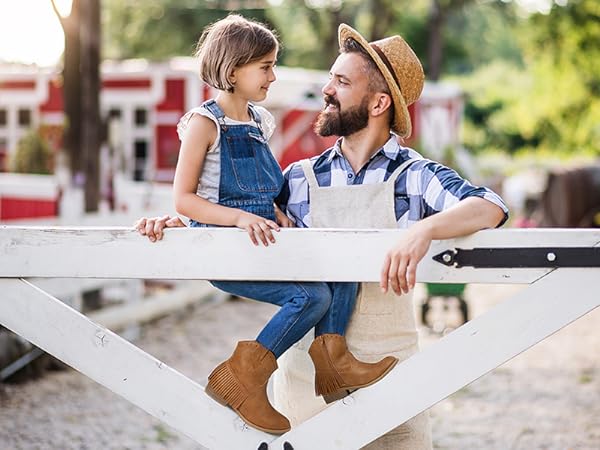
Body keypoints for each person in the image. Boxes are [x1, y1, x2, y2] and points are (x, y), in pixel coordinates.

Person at [137, 23, 508, 449]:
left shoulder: (415, 176)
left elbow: (490, 206)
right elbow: (241, 210)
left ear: (379, 102)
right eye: (331, 77)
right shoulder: (298, 177)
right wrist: (176, 225)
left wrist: (423, 230)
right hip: (303, 394)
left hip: (391, 385)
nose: (326, 89)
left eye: (341, 81)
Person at [156, 15, 398, 436]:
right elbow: (185, 198)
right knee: (310, 297)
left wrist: (274, 210)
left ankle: (333, 365)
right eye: (265, 66)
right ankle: (243, 379)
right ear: (233, 71)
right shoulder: (204, 123)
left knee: (337, 267)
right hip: (224, 245)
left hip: (261, 238)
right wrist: (239, 216)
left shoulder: (257, 122)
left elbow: (259, 188)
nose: (273, 75)